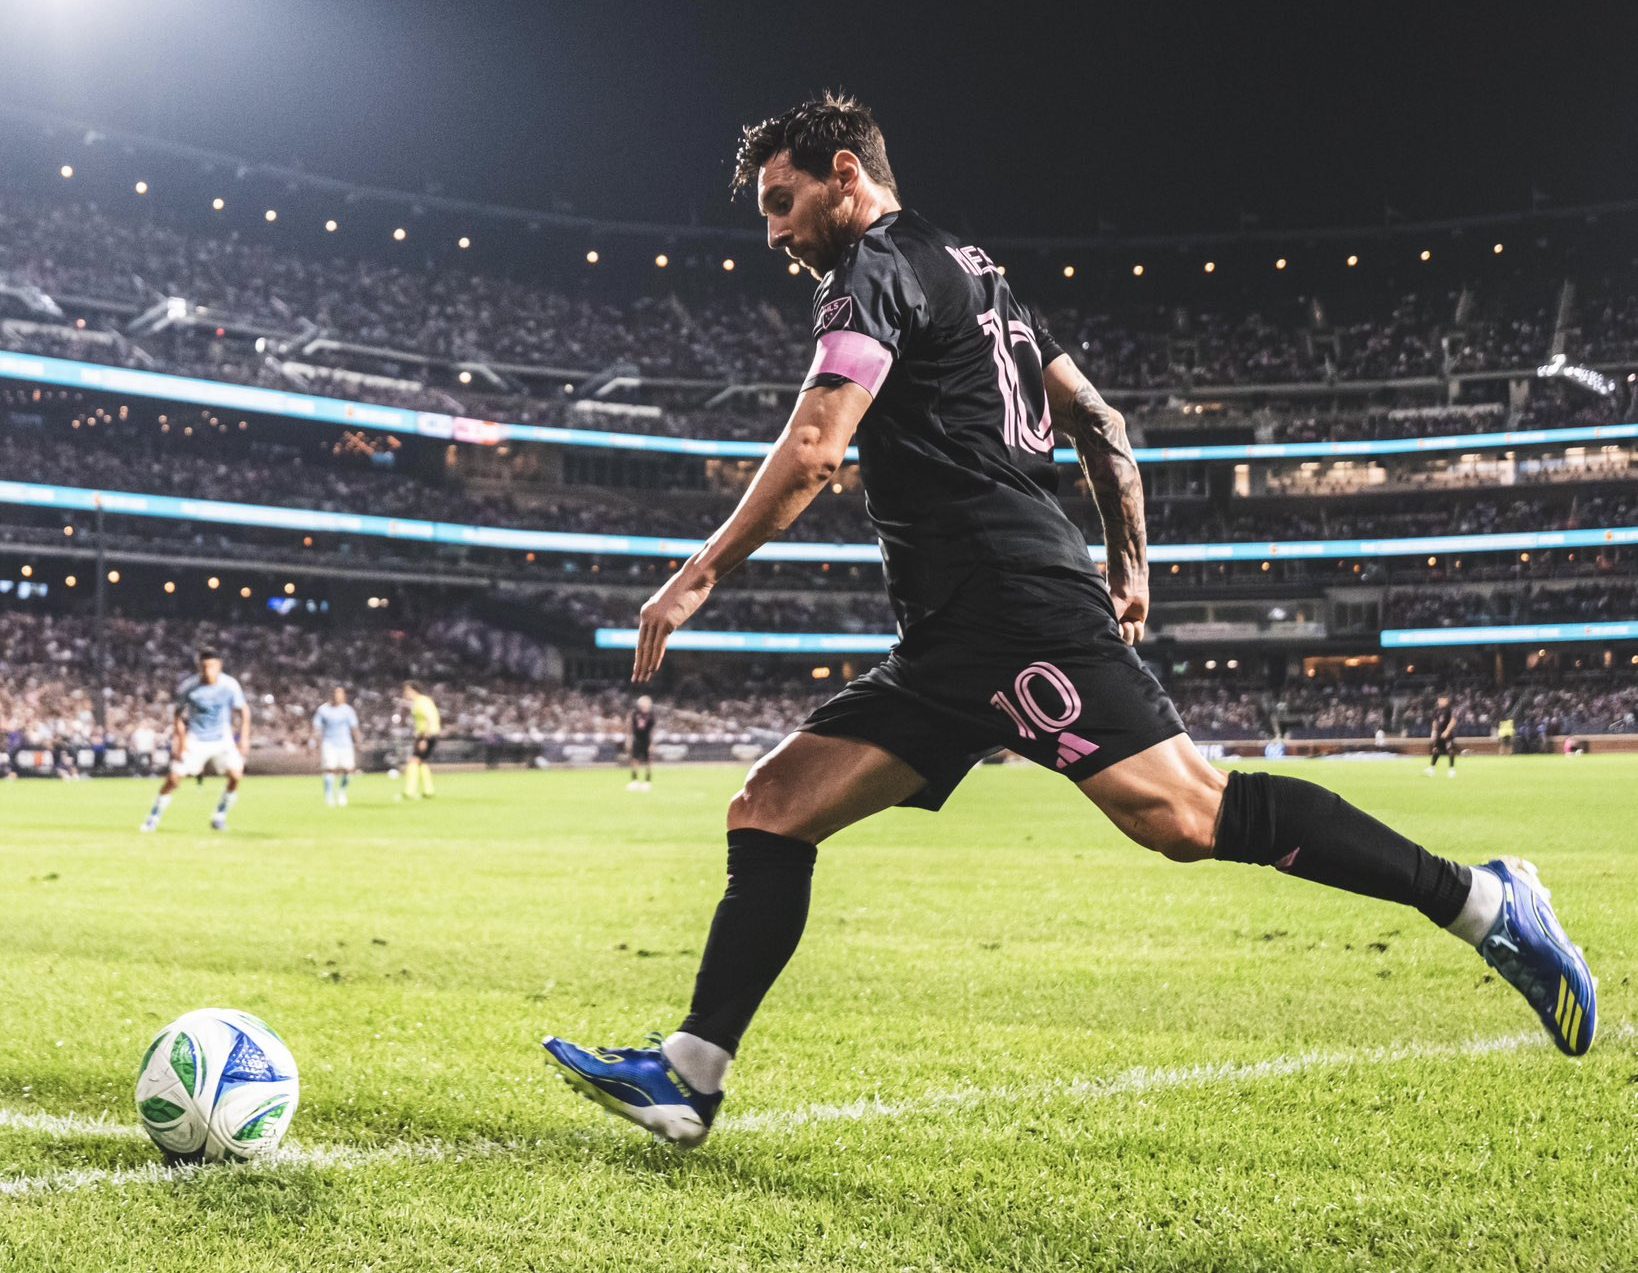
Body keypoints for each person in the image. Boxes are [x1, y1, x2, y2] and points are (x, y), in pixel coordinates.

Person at [542, 93, 1597, 1147]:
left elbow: (818, 449)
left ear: (846, 176)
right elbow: (1100, 419)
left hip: (1008, 603)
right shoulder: (974, 273)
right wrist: (1129, 567)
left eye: (782, 202)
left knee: (1184, 813)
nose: (772, 233)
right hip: (953, 635)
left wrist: (699, 575)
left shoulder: (873, 274)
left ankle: (1483, 901)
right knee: (770, 807)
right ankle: (691, 1071)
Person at [141, 647, 250, 833]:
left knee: (235, 776)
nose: (208, 671)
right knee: (174, 779)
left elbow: (244, 711)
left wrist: (244, 738)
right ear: (199, 667)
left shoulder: (230, 685)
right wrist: (180, 741)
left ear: (219, 666)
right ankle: (153, 817)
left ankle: (220, 815)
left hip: (221, 738)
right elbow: (177, 715)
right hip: (197, 738)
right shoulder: (189, 687)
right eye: (204, 667)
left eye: (211, 667)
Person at [313, 686, 361, 807]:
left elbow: (354, 727)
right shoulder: (323, 710)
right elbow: (317, 727)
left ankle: (342, 792)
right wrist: (315, 742)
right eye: (336, 694)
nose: (338, 696)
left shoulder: (347, 710)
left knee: (347, 769)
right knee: (330, 768)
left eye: (340, 694)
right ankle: (329, 796)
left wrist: (358, 741)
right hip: (329, 743)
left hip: (345, 743)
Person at [401, 682, 441, 800]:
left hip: (426, 734)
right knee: (421, 762)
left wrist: (424, 738)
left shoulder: (421, 702)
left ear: (413, 690)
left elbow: (430, 718)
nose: (405, 693)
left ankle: (409, 791)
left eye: (406, 690)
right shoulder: (423, 701)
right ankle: (428, 790)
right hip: (428, 733)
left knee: (414, 761)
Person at [627, 694, 656, 791]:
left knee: (648, 761)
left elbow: (653, 730)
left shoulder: (652, 715)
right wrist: (629, 739)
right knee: (635, 760)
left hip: (647, 739)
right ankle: (634, 780)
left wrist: (652, 743)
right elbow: (630, 726)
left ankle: (647, 781)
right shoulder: (635, 713)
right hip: (637, 739)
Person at [1426, 694, 1458, 777]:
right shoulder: (1436, 710)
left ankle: (1452, 770)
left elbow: (1453, 721)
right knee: (1436, 750)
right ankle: (1432, 769)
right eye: (1439, 700)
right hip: (1439, 733)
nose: (1439, 701)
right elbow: (1435, 722)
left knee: (1450, 749)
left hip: (1447, 734)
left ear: (1446, 700)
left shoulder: (1450, 709)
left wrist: (1447, 731)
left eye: (1441, 700)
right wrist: (1433, 732)